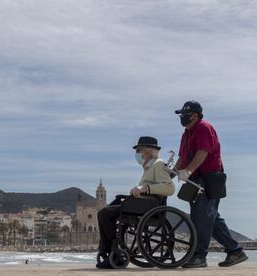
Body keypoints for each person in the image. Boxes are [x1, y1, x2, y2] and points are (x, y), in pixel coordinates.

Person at [174, 100, 248, 268]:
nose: (181, 117)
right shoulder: (186, 133)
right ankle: (235, 251)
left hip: (209, 178)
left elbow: (203, 152)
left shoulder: (203, 127)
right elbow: (182, 158)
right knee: (210, 218)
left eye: (184, 114)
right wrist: (170, 173)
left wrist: (188, 171)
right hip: (196, 180)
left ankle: (199, 256)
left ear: (194, 114)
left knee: (202, 217)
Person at [96, 136, 175, 269]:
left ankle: (114, 250)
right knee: (105, 212)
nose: (137, 154)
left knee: (104, 213)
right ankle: (109, 249)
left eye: (139, 150)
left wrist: (145, 188)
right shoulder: (148, 168)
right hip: (141, 205)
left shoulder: (159, 164)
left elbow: (169, 188)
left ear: (148, 152)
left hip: (147, 207)